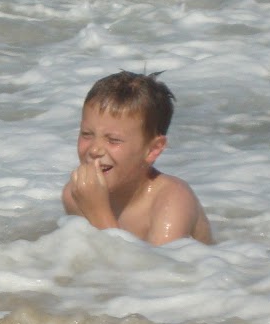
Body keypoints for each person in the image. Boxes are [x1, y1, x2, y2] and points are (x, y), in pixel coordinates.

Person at [62, 71, 213, 245]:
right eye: (87, 134)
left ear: (153, 149)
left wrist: (98, 212)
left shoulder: (172, 200)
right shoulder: (75, 195)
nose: (95, 149)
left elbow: (154, 264)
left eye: (113, 140)